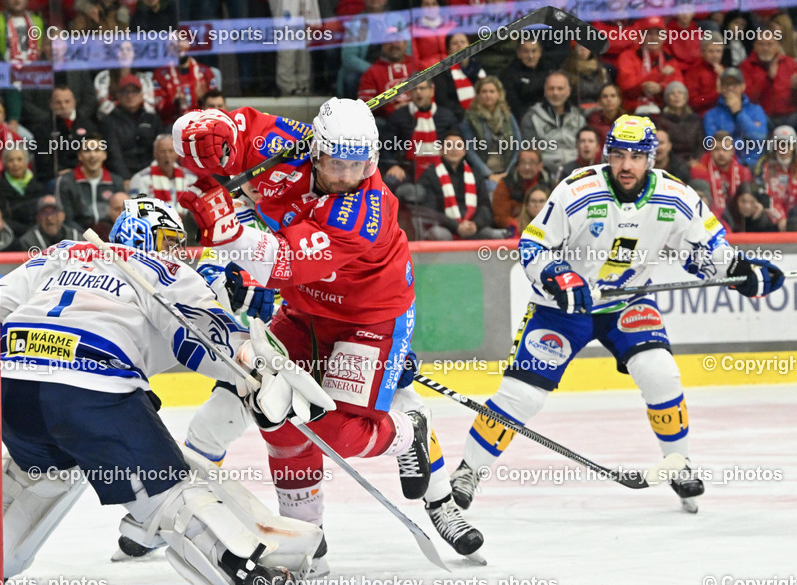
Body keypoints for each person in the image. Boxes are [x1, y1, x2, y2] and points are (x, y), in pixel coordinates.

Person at [173, 98, 484, 559]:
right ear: (316, 150)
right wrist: (202, 134)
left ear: (372, 161)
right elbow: (219, 134)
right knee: (273, 412)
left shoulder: (365, 211)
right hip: (305, 312)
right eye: (336, 163)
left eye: (357, 166)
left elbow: (285, 264)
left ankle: (410, 435)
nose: (345, 176)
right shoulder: (286, 145)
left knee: (340, 431)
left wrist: (230, 233)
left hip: (369, 320)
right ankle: (305, 541)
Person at [0, 196, 331, 585]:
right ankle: (247, 567)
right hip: (92, 389)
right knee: (171, 492)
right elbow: (198, 335)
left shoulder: (60, 253)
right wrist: (253, 368)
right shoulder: (158, 268)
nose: (175, 252)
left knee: (42, 473)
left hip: (12, 389)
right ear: (145, 236)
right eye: (168, 240)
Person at [449, 115, 785, 515]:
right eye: (619, 155)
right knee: (521, 395)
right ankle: (468, 470)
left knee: (661, 373)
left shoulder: (676, 197)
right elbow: (534, 245)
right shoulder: (578, 190)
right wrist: (559, 276)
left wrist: (738, 272)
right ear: (608, 155)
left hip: (628, 302)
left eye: (637, 157)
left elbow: (705, 252)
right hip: (563, 309)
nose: (627, 165)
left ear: (652, 158)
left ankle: (679, 464)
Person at [702, 67, 768, 168]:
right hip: (725, 165)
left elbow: (760, 137)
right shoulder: (711, 115)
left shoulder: (756, 110)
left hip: (754, 164)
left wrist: (738, 113)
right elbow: (713, 144)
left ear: (743, 86)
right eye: (727, 84)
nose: (731, 88)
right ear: (721, 88)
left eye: (735, 84)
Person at [14, 195, 83, 251]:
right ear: (37, 218)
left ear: (63, 216)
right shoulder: (28, 242)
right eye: (44, 213)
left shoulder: (77, 238)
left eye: (54, 212)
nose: (49, 218)